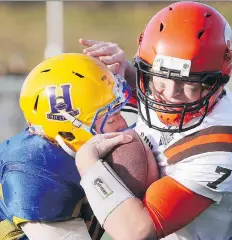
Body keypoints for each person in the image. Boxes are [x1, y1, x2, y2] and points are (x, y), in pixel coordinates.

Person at [76, 1, 232, 239]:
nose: (169, 94)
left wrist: (88, 163)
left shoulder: (218, 144)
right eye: (159, 79)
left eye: (188, 82)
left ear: (215, 83)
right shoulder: (165, 87)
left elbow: (137, 232)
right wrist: (126, 71)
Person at [0, 53, 137, 240]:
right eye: (111, 118)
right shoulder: (36, 171)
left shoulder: (65, 146)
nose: (122, 124)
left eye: (118, 111)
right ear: (69, 129)